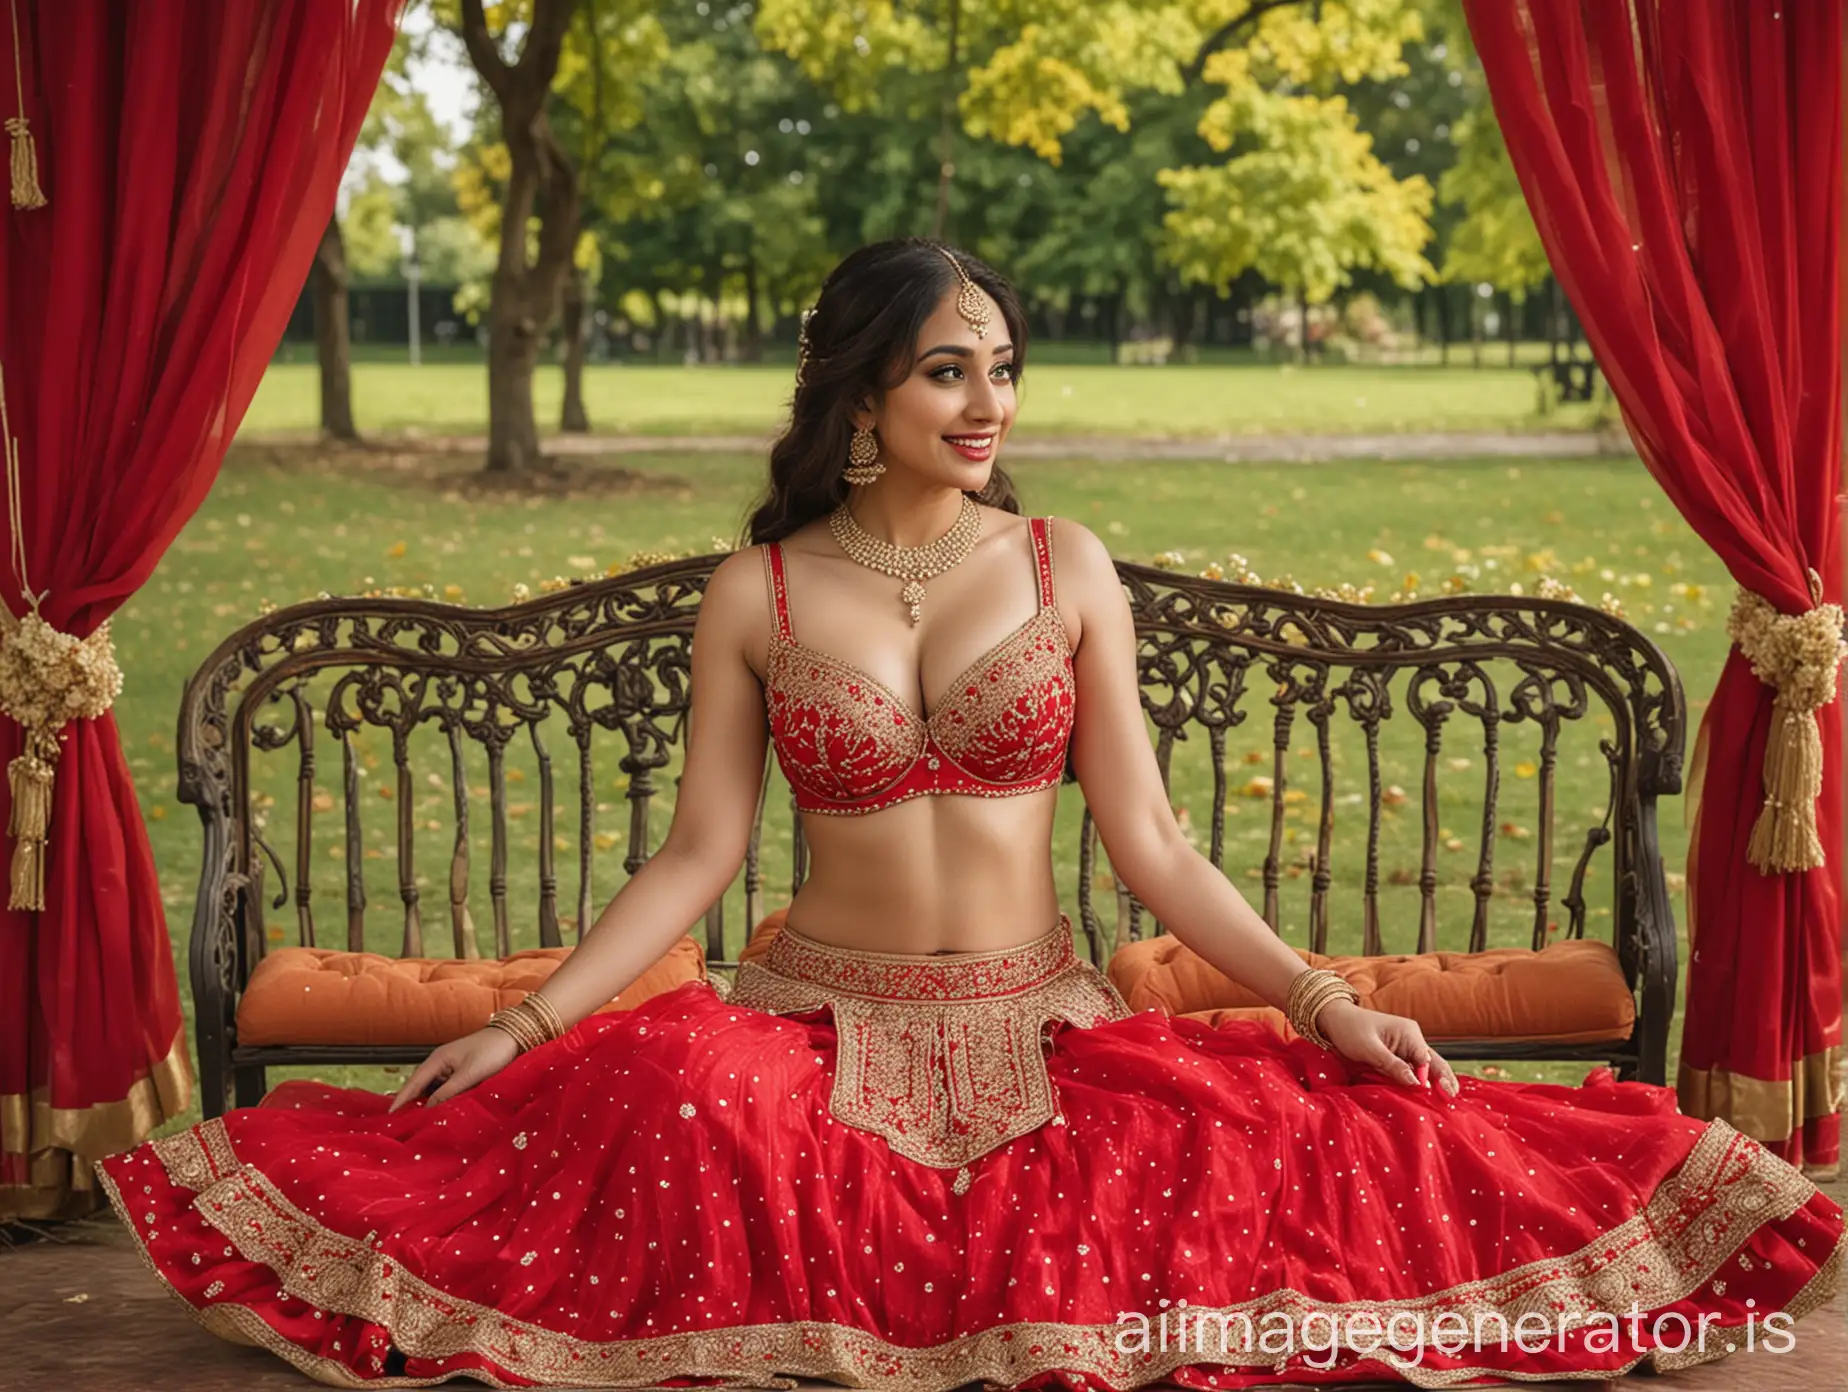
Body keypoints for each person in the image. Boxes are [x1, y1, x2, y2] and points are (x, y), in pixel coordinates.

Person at [97, 239, 1840, 1390]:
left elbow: (1148, 845)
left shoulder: (1064, 567)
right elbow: (701, 856)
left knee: (1283, 1137)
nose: (990, 401)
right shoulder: (761, 592)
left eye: (1002, 367)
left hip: (1043, 1020)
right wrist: (537, 1017)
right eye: (948, 370)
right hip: (811, 1019)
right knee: (669, 1097)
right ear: (863, 393)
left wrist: (1320, 1000)